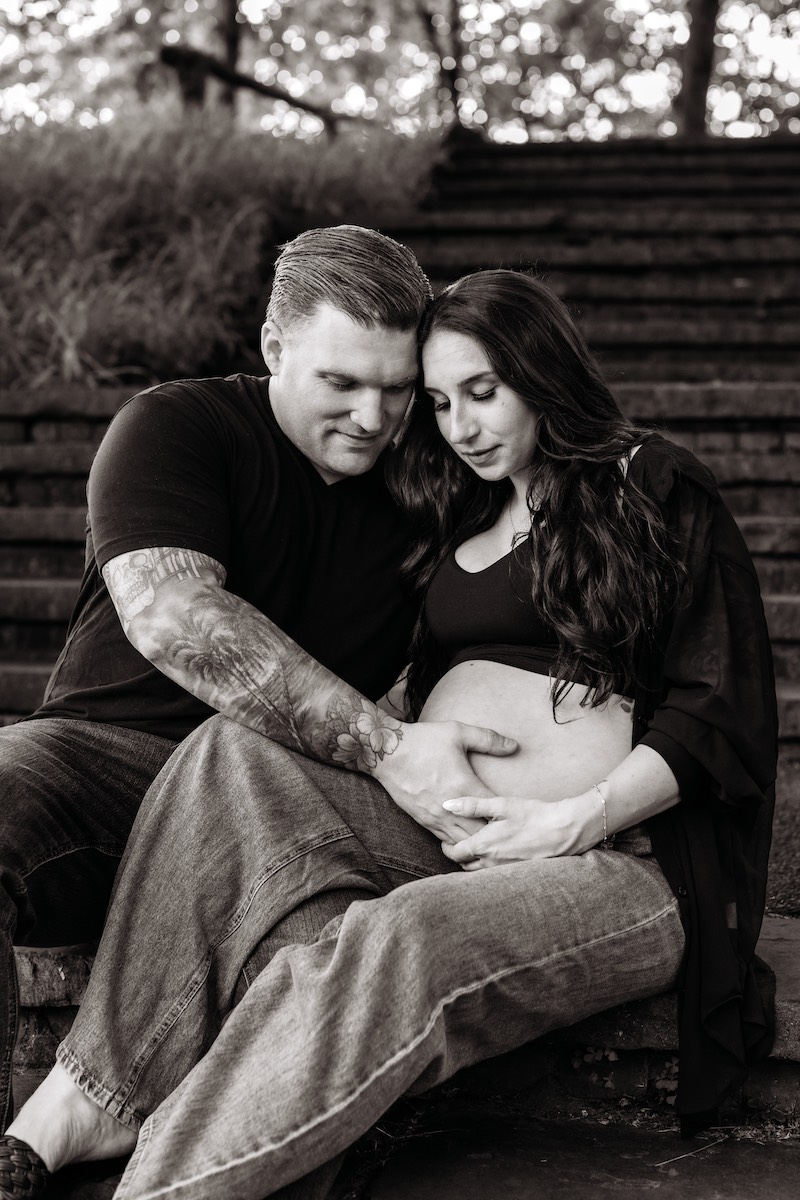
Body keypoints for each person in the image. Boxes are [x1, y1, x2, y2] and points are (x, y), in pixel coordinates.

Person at [1, 271, 777, 1200]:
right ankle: (100, 1096)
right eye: (440, 402)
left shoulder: (650, 484)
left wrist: (572, 819)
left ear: (544, 372)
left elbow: (721, 707)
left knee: (388, 938)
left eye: (480, 392)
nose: (458, 426)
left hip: (623, 857)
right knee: (231, 754)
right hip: (449, 835)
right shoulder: (457, 506)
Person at [0, 226, 516, 1133]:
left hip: (288, 802)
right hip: (102, 764)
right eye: (341, 383)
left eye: (398, 389)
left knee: (329, 963)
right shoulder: (178, 425)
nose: (372, 417)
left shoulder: (437, 479)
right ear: (275, 346)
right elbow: (173, 616)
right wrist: (389, 746)